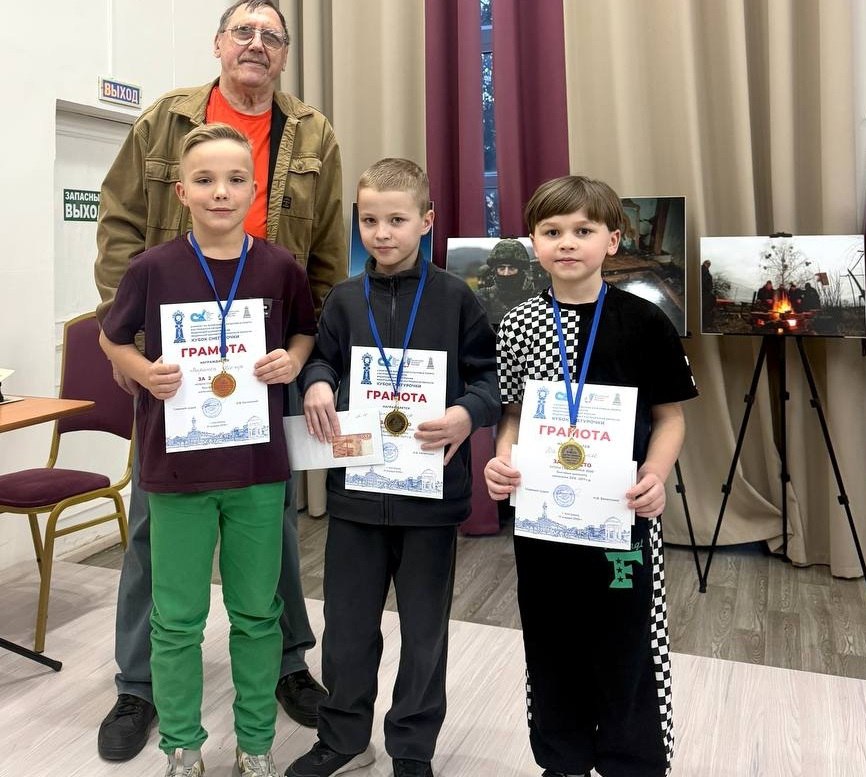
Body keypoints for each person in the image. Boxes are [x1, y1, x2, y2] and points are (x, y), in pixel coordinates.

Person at [93, 0, 345, 761]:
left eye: (272, 36)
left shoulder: (314, 133)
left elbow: (327, 250)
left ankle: (286, 666)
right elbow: (118, 223)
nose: (256, 45)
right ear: (219, 43)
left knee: (270, 530)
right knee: (154, 529)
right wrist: (134, 349)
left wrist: (309, 357)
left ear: (285, 54)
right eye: (244, 31)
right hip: (175, 377)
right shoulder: (165, 120)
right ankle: (139, 685)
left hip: (266, 368)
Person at [287, 158, 501, 777]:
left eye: (397, 220)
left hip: (430, 498)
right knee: (346, 629)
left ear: (426, 221)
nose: (382, 233)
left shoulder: (456, 298)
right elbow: (321, 360)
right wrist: (316, 382)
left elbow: (491, 381)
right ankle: (344, 738)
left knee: (424, 631)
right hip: (356, 493)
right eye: (370, 220)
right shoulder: (344, 299)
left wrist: (465, 414)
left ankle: (412, 748)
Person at [483, 175, 698, 777]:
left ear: (612, 240)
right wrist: (503, 460)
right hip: (544, 522)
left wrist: (654, 475)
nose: (567, 243)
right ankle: (563, 759)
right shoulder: (518, 324)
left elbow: (671, 418)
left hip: (621, 520)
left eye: (583, 230)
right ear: (533, 242)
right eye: (552, 231)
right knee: (549, 642)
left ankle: (633, 761)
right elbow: (513, 416)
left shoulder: (646, 321)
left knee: (627, 645)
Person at [475, 238, 535, 330]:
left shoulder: (534, 297)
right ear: (495, 270)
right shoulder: (483, 297)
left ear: (521, 270)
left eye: (512, 268)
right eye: (501, 268)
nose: (506, 273)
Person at [701, 259, 716, 329]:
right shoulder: (704, 271)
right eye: (708, 264)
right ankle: (704, 325)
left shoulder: (704, 271)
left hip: (704, 293)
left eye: (709, 264)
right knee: (705, 309)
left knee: (705, 309)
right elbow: (705, 283)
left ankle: (704, 324)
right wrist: (709, 288)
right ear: (704, 263)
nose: (709, 265)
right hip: (704, 293)